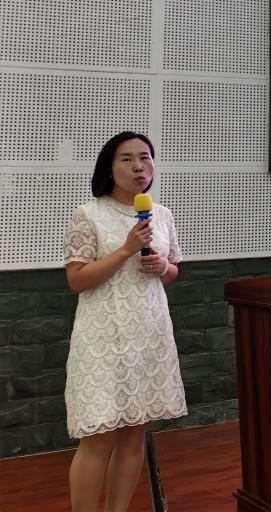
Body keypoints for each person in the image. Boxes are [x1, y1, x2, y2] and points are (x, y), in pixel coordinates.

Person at [63, 132, 187, 511]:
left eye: (145, 157)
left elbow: (173, 272)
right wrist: (126, 250)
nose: (138, 166)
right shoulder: (89, 215)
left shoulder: (161, 215)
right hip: (103, 337)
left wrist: (162, 266)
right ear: (109, 168)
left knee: (135, 434)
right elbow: (77, 280)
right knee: (98, 438)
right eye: (127, 159)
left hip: (148, 333)